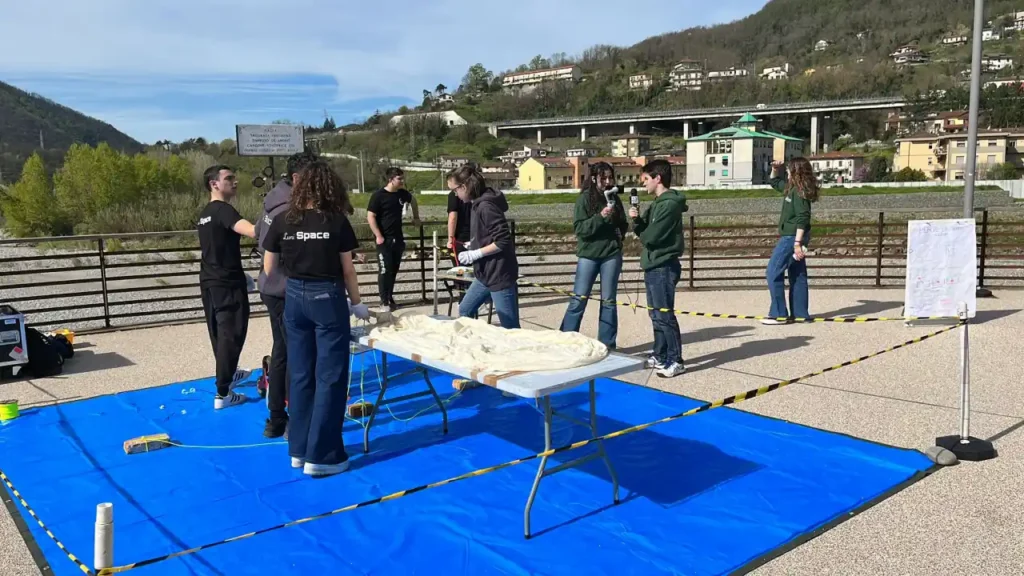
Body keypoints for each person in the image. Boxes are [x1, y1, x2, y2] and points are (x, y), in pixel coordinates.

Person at [262, 160, 370, 477]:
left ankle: (298, 448)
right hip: (328, 297)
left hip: (293, 298)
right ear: (329, 188)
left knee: (300, 373)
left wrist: (298, 280)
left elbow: (269, 270)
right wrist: (358, 304)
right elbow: (348, 269)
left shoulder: (283, 220)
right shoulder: (336, 222)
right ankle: (323, 455)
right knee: (330, 375)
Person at [254, 150, 317, 437]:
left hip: (273, 286)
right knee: (293, 352)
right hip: (283, 287)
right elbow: (277, 254)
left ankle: (277, 416)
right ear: (297, 178)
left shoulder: (272, 200)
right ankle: (287, 417)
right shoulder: (286, 209)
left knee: (282, 351)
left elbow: (259, 235)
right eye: (313, 177)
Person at [197, 165, 258, 409]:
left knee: (219, 333)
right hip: (226, 282)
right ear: (214, 184)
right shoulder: (224, 210)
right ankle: (223, 392)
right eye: (229, 178)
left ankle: (229, 373)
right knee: (231, 333)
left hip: (211, 280)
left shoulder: (205, 213)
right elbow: (253, 231)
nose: (235, 182)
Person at [629, 159, 687, 378]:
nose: (643, 184)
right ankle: (660, 354)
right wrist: (636, 221)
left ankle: (676, 359)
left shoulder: (669, 204)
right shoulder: (656, 203)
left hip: (663, 264)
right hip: (653, 264)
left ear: (657, 178)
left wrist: (641, 231)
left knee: (664, 314)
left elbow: (651, 237)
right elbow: (645, 229)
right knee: (655, 314)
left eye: (646, 179)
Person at [559, 162, 628, 349]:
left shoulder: (615, 198)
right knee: (579, 299)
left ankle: (607, 344)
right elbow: (580, 229)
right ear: (594, 178)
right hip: (589, 255)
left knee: (609, 301)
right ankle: (565, 340)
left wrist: (619, 232)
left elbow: (623, 224)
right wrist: (601, 216)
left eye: (610, 177)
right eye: (603, 177)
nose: (607, 181)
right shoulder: (584, 199)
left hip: (611, 255)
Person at [452, 164, 520, 329]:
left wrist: (476, 253)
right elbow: (488, 233)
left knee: (510, 328)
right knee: (465, 310)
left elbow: (503, 240)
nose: (455, 194)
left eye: (455, 190)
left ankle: (517, 353)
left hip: (499, 273)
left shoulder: (486, 206)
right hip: (484, 274)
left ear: (465, 187)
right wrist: (474, 243)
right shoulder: (477, 204)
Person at [763, 157, 818, 325]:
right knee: (798, 273)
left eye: (788, 169)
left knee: (773, 271)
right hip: (794, 237)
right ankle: (801, 314)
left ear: (795, 172)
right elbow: (774, 182)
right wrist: (775, 168)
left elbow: (803, 218)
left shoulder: (799, 191)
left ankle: (779, 314)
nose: (786, 171)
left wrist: (797, 243)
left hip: (792, 237)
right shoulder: (791, 188)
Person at [366, 167, 420, 310]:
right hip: (384, 239)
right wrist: (378, 235)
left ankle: (390, 298)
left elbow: (413, 201)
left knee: (393, 270)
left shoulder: (402, 194)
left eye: (403, 178)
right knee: (384, 270)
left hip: (398, 239)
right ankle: (383, 301)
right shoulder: (378, 196)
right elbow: (370, 216)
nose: (402, 181)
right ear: (390, 179)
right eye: (399, 179)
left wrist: (416, 217)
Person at [446, 168, 473, 265]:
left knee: (460, 271)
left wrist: (450, 239)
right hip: (477, 237)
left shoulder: (453, 195)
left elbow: (453, 217)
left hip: (461, 238)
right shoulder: (476, 194)